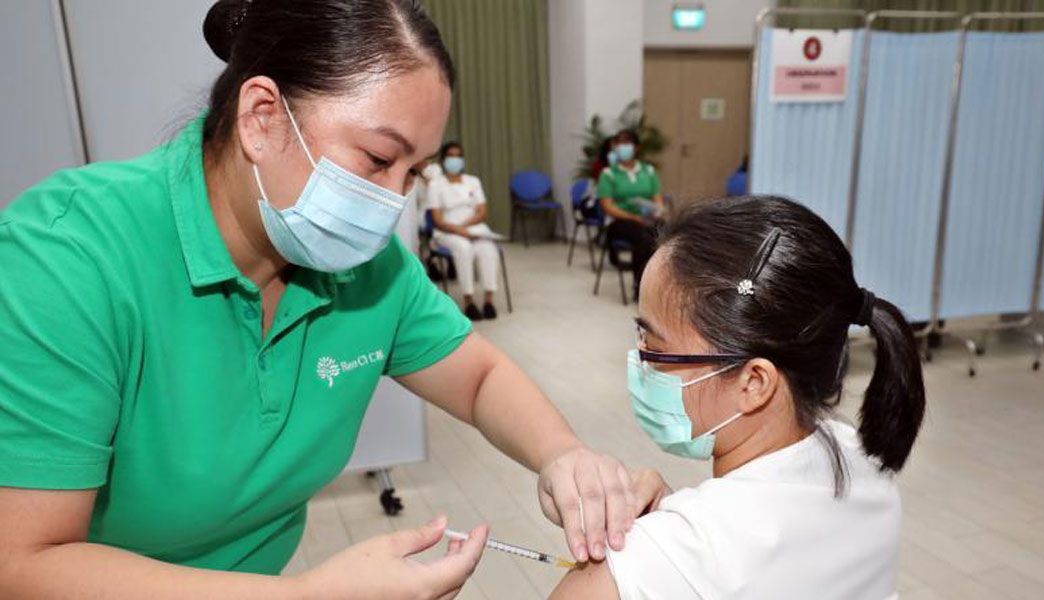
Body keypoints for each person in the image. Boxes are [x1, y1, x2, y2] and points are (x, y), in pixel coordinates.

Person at [0, 2, 640, 598]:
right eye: (377, 158)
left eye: (411, 172)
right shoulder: (67, 260)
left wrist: (563, 455)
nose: (393, 201)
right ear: (262, 118)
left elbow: (477, 377)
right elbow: (23, 562)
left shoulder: (364, 269)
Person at [551, 196, 926, 599]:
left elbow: (715, 558)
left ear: (754, 383)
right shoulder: (864, 459)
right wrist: (676, 519)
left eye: (652, 345)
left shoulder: (655, 563)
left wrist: (665, 541)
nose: (639, 360)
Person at [427, 142, 501, 320]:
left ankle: (489, 301)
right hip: (448, 230)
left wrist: (467, 226)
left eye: (458, 156)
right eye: (451, 156)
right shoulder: (435, 185)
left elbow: (482, 211)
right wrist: (458, 230)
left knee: (488, 250)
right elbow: (437, 219)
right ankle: (468, 301)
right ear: (444, 160)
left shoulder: (473, 181)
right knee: (464, 249)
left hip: (474, 227)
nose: (455, 159)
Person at [595, 129, 664, 300]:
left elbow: (657, 199)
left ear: (636, 148)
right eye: (619, 143)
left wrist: (657, 210)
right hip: (621, 221)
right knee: (644, 236)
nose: (623, 147)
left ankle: (661, 283)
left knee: (667, 232)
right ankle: (640, 284)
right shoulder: (608, 174)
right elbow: (607, 206)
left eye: (627, 143)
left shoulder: (648, 171)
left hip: (647, 218)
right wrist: (633, 217)